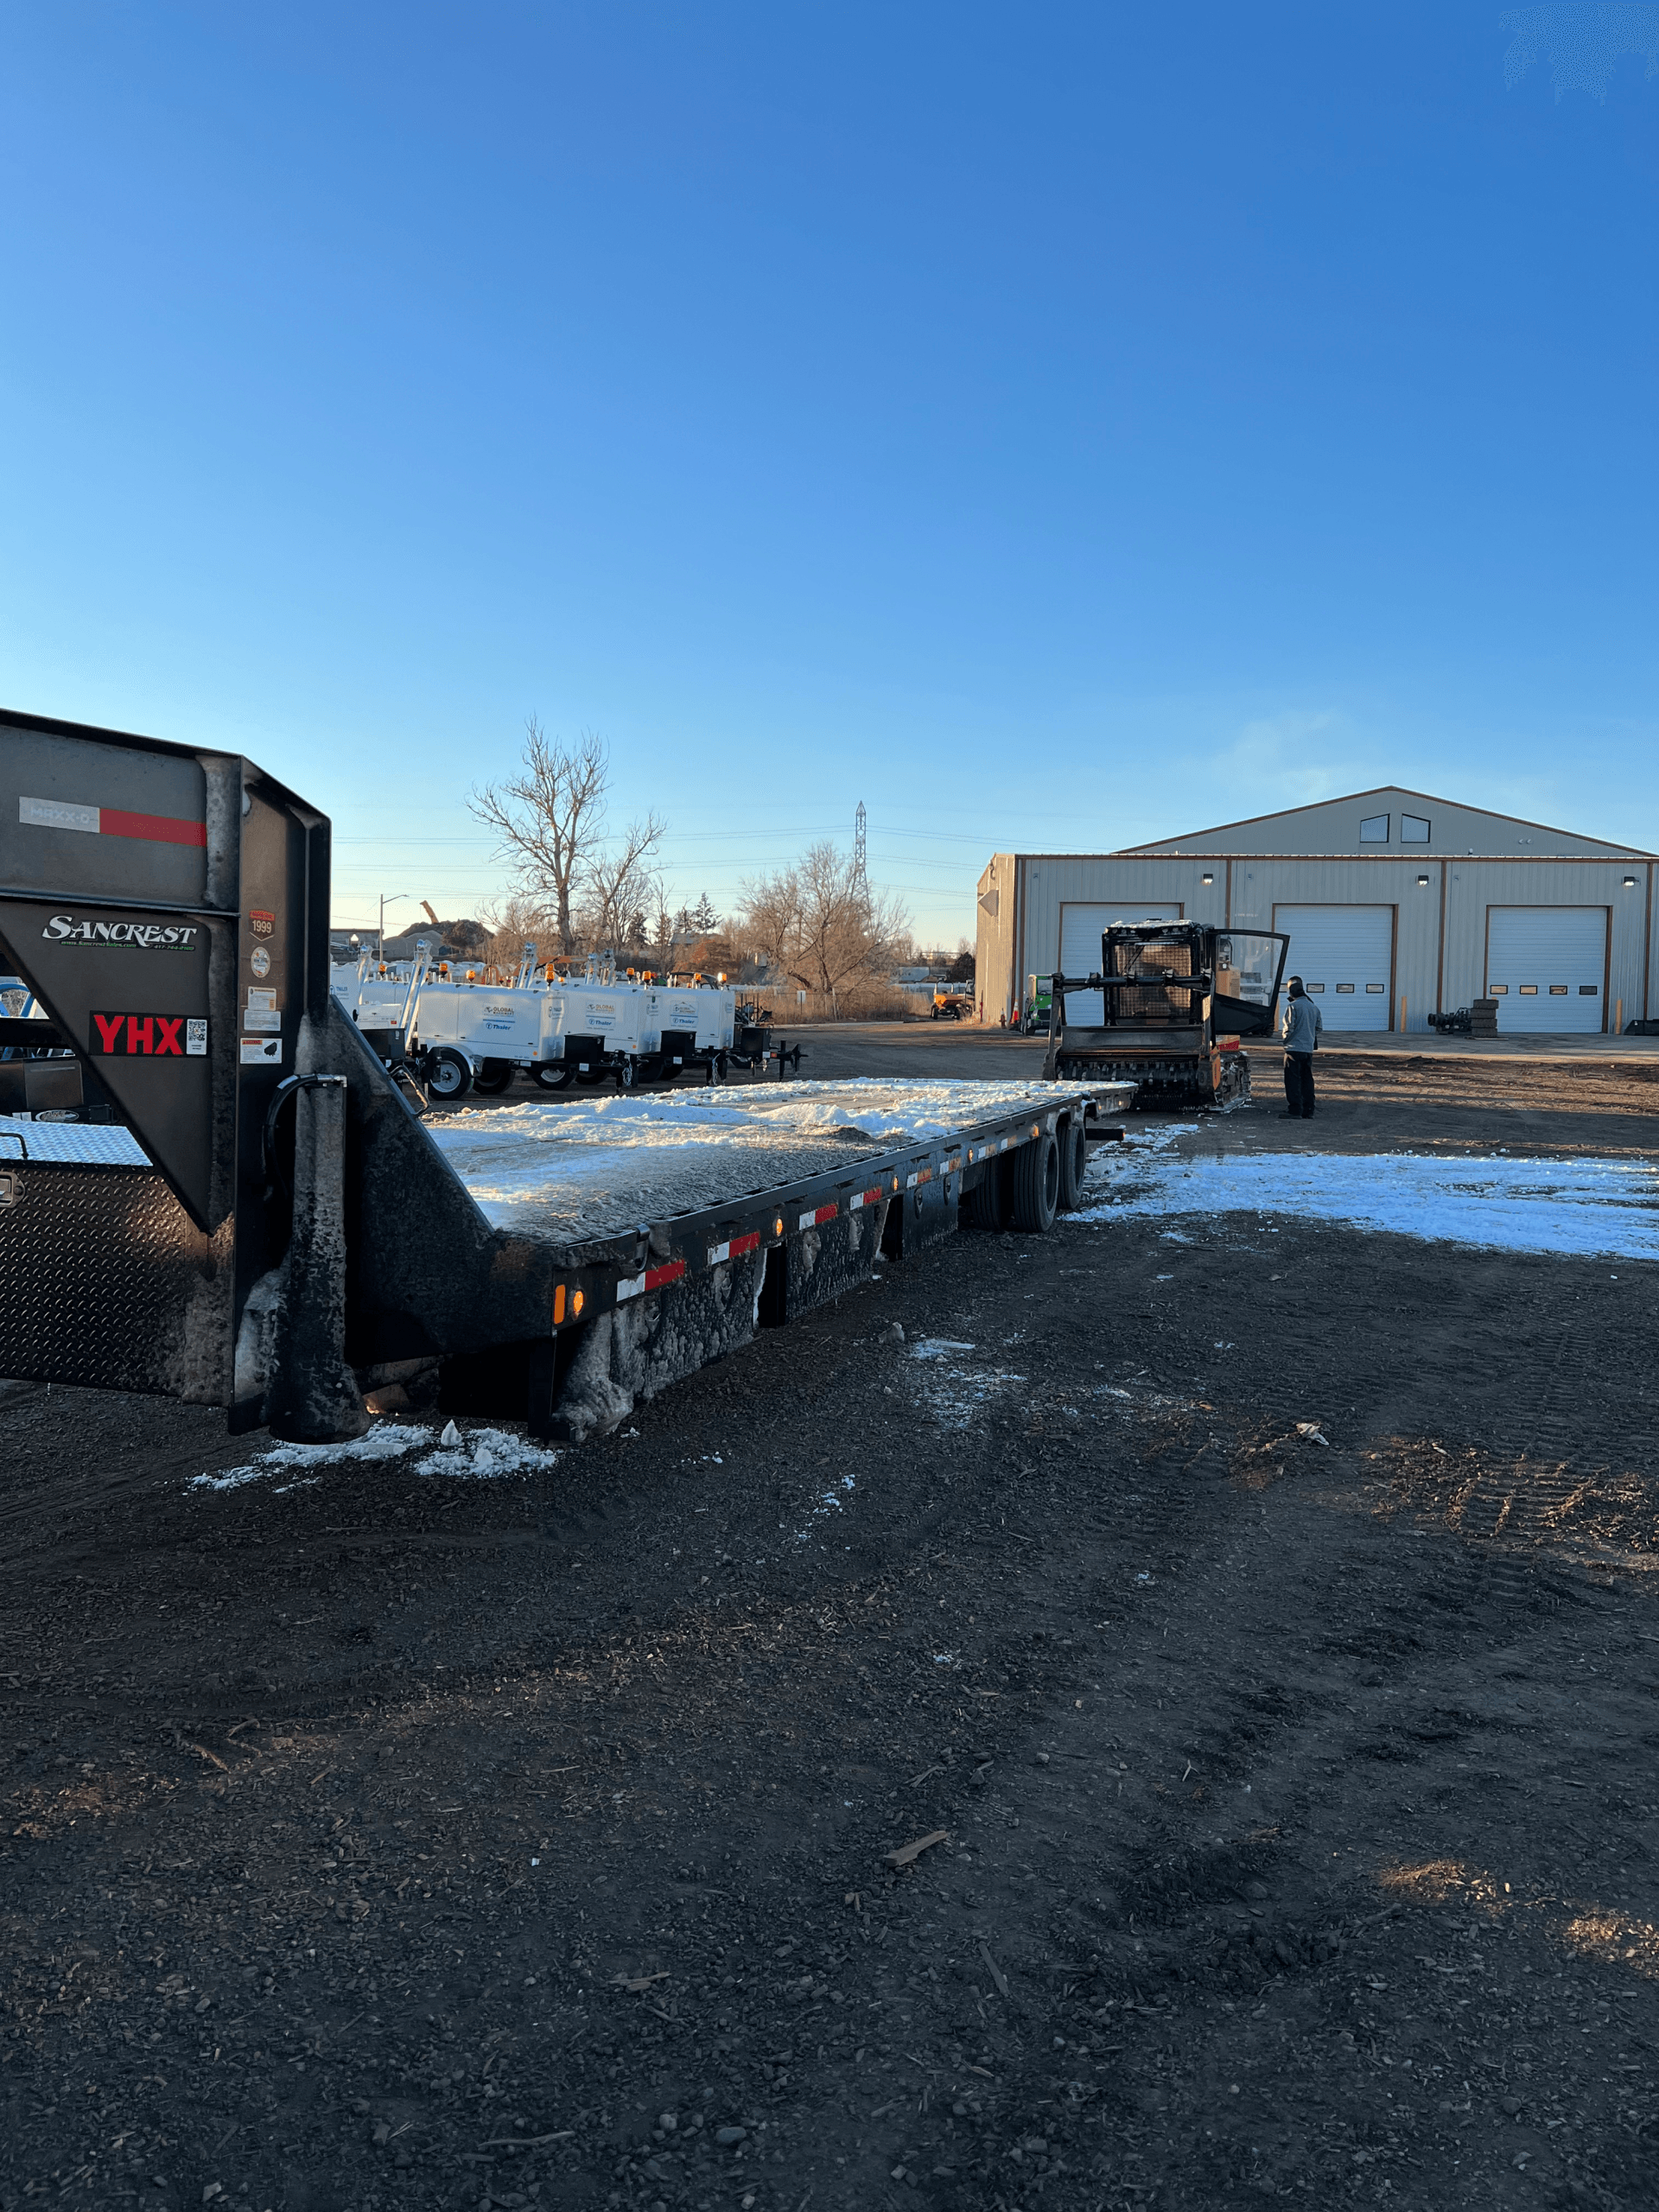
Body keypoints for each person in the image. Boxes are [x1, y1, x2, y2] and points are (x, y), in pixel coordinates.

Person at [1281, 975, 1321, 1118]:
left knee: (1292, 1080)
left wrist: (1285, 1041)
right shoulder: (1313, 1007)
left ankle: (1295, 1110)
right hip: (1307, 1049)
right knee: (1307, 1079)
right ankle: (1308, 1110)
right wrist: (1309, 1038)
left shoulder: (1292, 1007)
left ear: (1291, 993)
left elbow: (1289, 1028)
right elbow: (1319, 1028)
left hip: (1294, 1048)